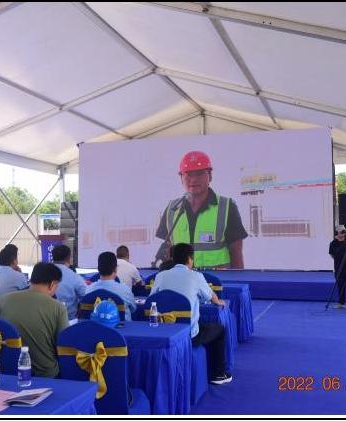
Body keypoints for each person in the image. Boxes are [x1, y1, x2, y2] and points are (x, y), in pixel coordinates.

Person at [151, 243, 232, 384]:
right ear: (190, 259)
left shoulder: (161, 276)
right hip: (189, 337)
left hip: (165, 332)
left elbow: (152, 300)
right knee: (219, 330)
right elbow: (211, 297)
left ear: (173, 259)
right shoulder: (196, 276)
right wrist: (218, 301)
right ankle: (217, 374)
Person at [155, 151, 248, 269]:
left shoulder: (227, 207)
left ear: (210, 176)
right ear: (181, 178)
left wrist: (238, 279)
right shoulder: (172, 209)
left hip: (216, 279)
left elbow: (237, 255)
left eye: (199, 173)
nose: (194, 180)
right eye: (188, 174)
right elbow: (168, 250)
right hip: (183, 279)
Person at [0, 262, 68, 378]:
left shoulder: (4, 301)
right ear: (52, 284)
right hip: (46, 375)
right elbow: (64, 346)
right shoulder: (58, 308)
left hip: (9, 372)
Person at [86, 252, 136, 321]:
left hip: (95, 327)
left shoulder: (88, 290)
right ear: (115, 269)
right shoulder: (125, 290)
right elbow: (133, 309)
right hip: (121, 327)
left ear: (98, 269)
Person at [52, 244, 86, 320]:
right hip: (69, 320)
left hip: (44, 319)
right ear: (68, 258)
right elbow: (85, 295)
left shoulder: (42, 273)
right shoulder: (74, 277)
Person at [329, 224, 346, 311]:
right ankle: (341, 303)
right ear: (337, 233)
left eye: (343, 231)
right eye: (340, 232)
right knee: (340, 285)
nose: (342, 233)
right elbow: (332, 255)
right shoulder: (333, 243)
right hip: (339, 267)